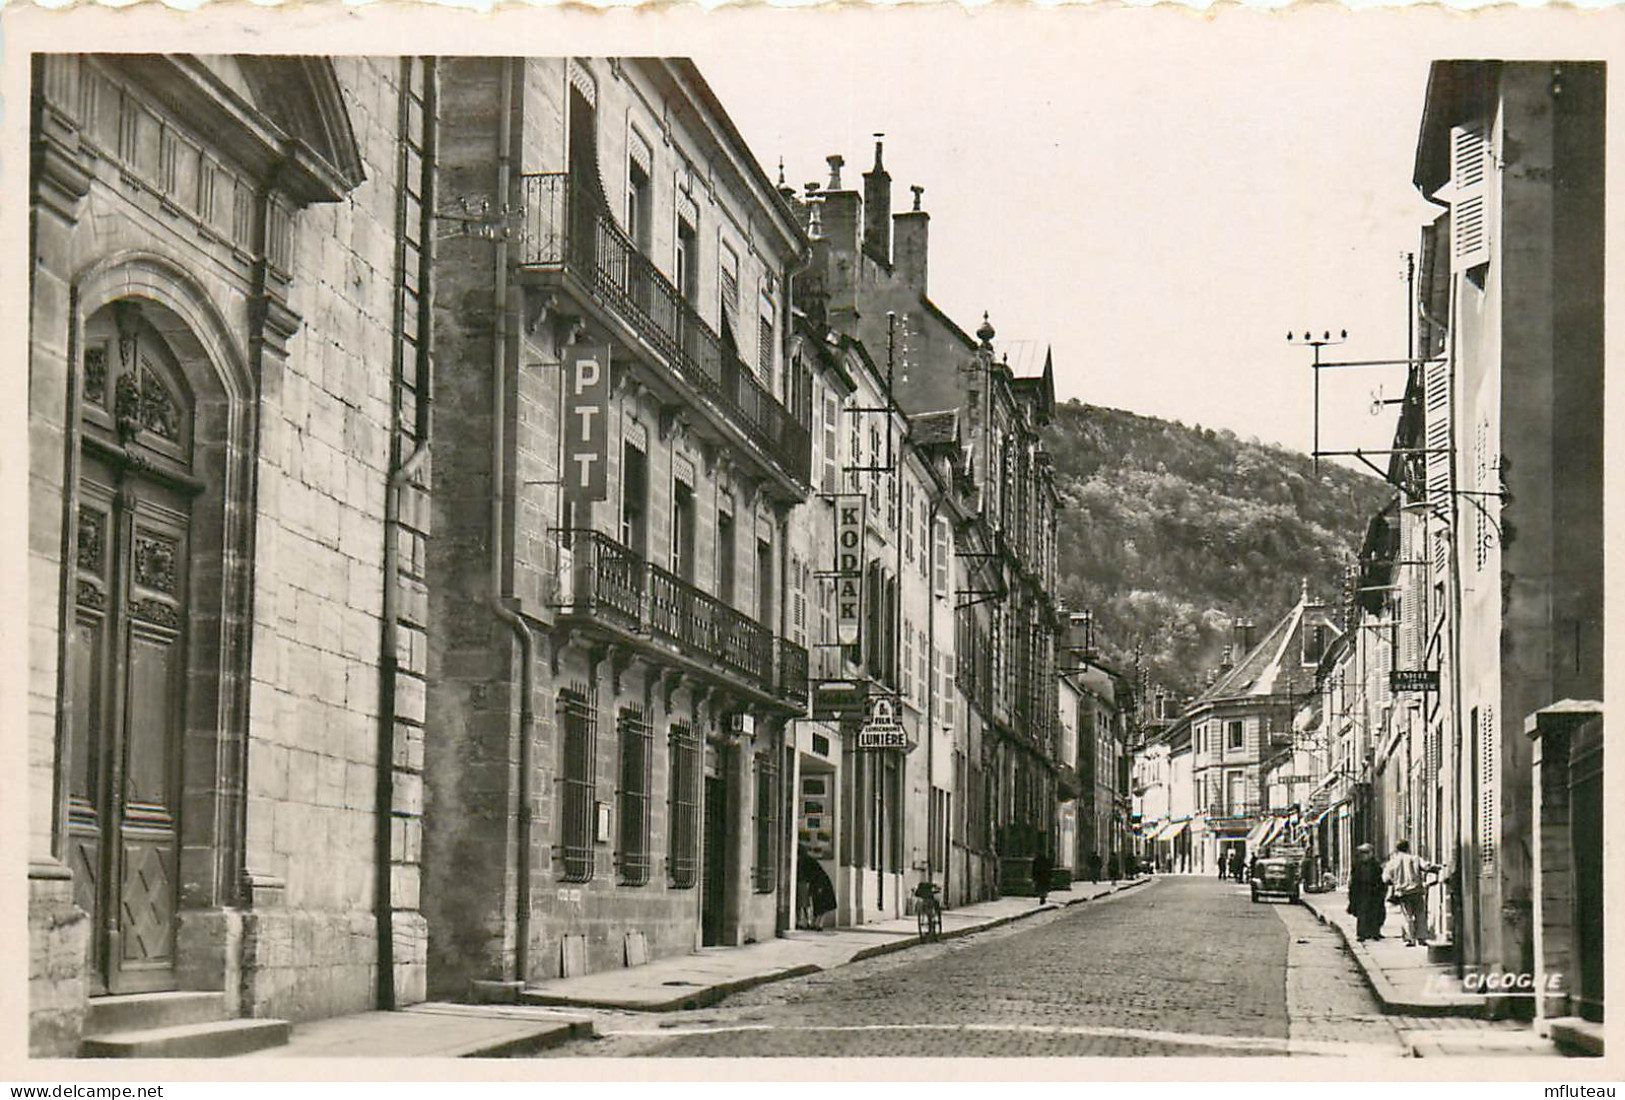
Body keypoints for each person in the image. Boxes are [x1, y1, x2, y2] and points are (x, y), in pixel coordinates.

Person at [1383, 839, 1439, 946]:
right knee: (1420, 914)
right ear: (1408, 848)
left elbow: (1385, 879)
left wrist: (1396, 882)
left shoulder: (1392, 862)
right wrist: (1439, 868)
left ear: (1396, 849)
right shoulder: (1415, 859)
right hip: (1416, 890)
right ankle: (1421, 937)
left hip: (1403, 893)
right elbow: (1427, 867)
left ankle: (1410, 939)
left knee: (1407, 916)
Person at [1346, 843, 1387, 940]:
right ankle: (1362, 933)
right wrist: (1352, 894)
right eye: (1362, 853)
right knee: (1362, 913)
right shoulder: (1357, 865)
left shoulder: (1376, 865)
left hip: (1374, 892)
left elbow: (1380, 879)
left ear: (1371, 853)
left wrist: (1381, 891)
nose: (1364, 855)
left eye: (1366, 853)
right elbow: (1354, 880)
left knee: (1375, 913)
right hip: (1361, 892)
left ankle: (1375, 932)